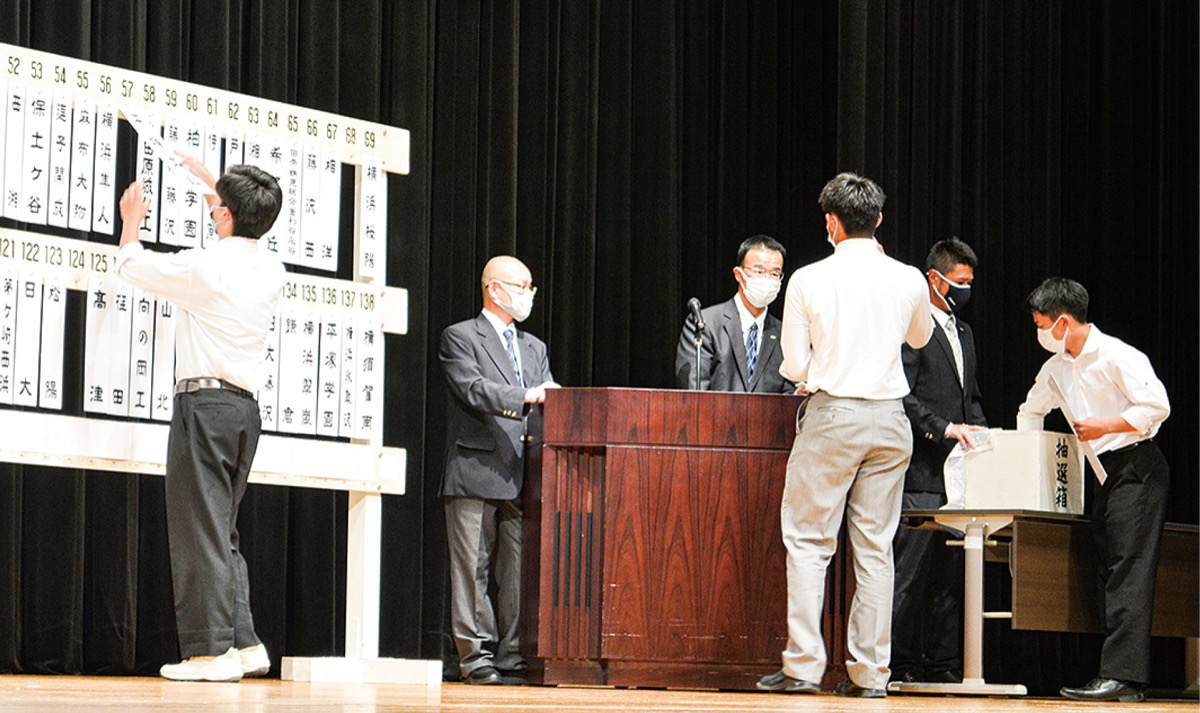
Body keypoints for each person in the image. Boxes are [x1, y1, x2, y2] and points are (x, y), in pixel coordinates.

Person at [756, 173, 932, 698]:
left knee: (809, 543)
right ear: (878, 220)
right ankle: (871, 674)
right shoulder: (908, 279)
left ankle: (805, 666)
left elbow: (791, 363)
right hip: (890, 419)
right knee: (876, 550)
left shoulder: (810, 278)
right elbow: (919, 337)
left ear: (831, 222)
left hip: (833, 415)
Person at [115, 155, 286, 682]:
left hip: (204, 407)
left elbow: (131, 266)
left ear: (228, 216)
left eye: (218, 208)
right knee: (220, 531)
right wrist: (218, 187)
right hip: (243, 411)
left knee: (198, 530)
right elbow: (241, 223)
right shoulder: (271, 267)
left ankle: (211, 654)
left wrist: (132, 224)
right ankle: (246, 642)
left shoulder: (205, 266)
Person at [1016, 278, 1170, 704]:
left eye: (1041, 324)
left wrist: (1105, 425)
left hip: (1138, 466)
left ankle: (1122, 677)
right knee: (1107, 569)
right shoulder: (1056, 368)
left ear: (1063, 321)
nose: (1040, 333)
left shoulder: (1118, 355)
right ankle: (1121, 675)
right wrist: (1024, 464)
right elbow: (1030, 411)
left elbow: (1158, 405)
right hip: (1105, 476)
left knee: (1128, 570)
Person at [438, 256, 558, 685]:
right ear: (494, 289)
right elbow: (474, 389)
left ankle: (513, 653)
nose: (527, 295)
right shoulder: (461, 337)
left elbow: (549, 397)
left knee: (519, 571)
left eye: (530, 287)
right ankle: (475, 656)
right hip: (476, 465)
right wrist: (529, 395)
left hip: (526, 470)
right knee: (472, 568)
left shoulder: (534, 347)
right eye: (520, 286)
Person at [891, 237, 987, 684]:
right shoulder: (913, 328)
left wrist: (984, 438)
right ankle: (900, 663)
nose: (966, 291)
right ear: (936, 278)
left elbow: (971, 400)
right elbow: (902, 396)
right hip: (920, 472)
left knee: (951, 578)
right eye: (960, 282)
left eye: (970, 282)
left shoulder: (964, 333)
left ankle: (946, 665)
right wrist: (943, 428)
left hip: (961, 478)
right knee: (909, 576)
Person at [674, 235, 795, 393]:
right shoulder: (705, 325)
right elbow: (694, 391)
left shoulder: (783, 333)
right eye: (759, 271)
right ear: (739, 274)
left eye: (774, 274)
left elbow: (789, 394)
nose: (767, 279)